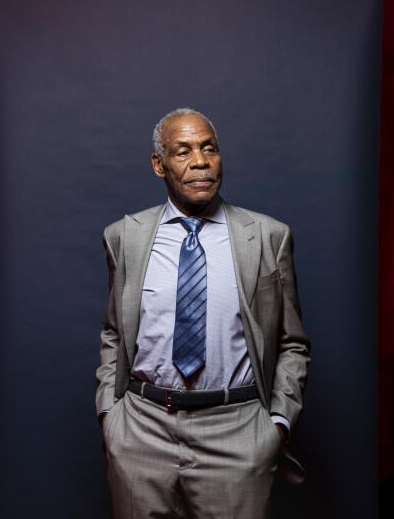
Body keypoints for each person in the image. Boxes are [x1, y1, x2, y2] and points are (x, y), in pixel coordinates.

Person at [95, 107, 310, 518]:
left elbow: (292, 342)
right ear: (159, 165)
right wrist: (111, 415)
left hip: (236, 430)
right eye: (183, 151)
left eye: (208, 148)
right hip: (142, 429)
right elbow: (114, 332)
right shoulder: (124, 237)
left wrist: (277, 423)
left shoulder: (268, 236)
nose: (200, 161)